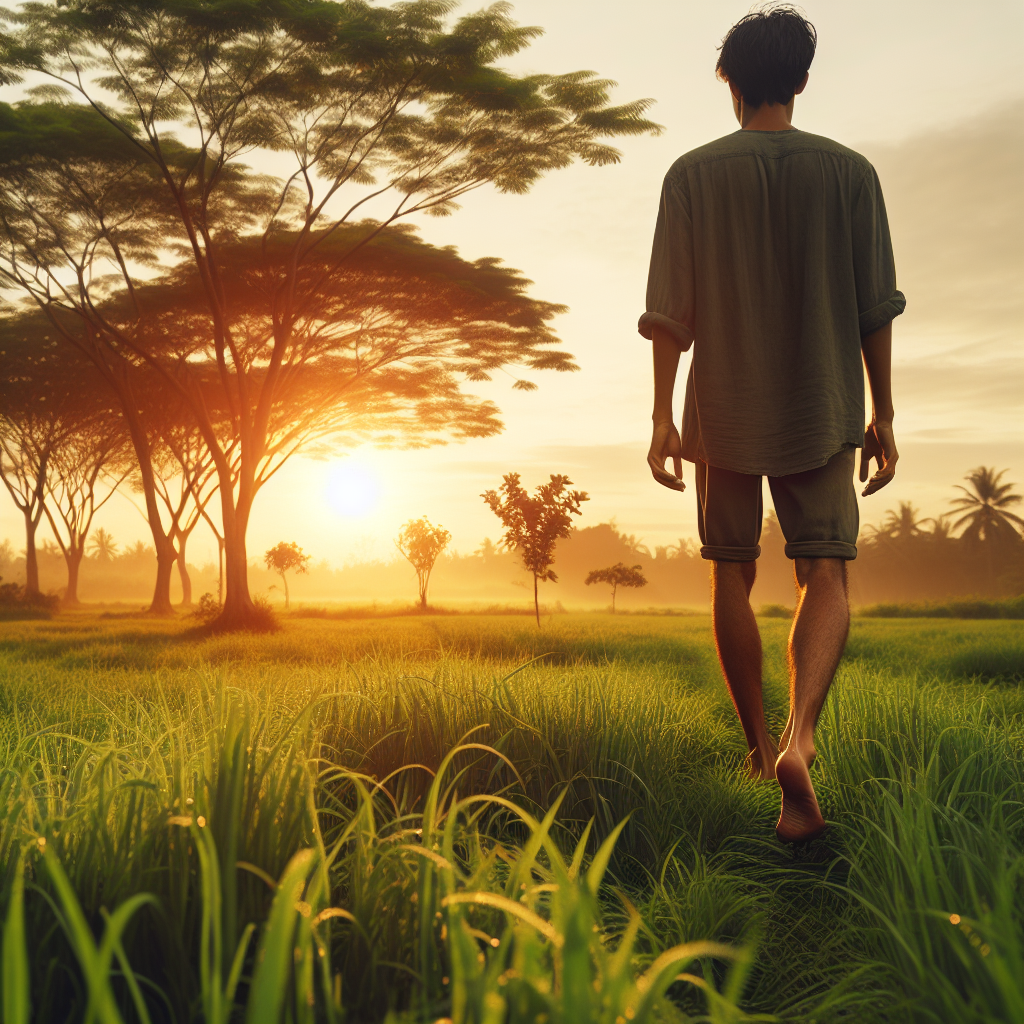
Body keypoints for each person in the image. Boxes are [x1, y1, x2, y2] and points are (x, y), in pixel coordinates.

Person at [640, 5, 904, 843]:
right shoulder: (852, 173)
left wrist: (659, 415)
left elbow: (668, 315)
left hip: (720, 407)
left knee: (730, 573)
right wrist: (884, 409)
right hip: (824, 404)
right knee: (825, 572)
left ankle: (758, 748)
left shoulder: (690, 174)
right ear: (799, 80)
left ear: (731, 82)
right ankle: (802, 739)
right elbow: (875, 309)